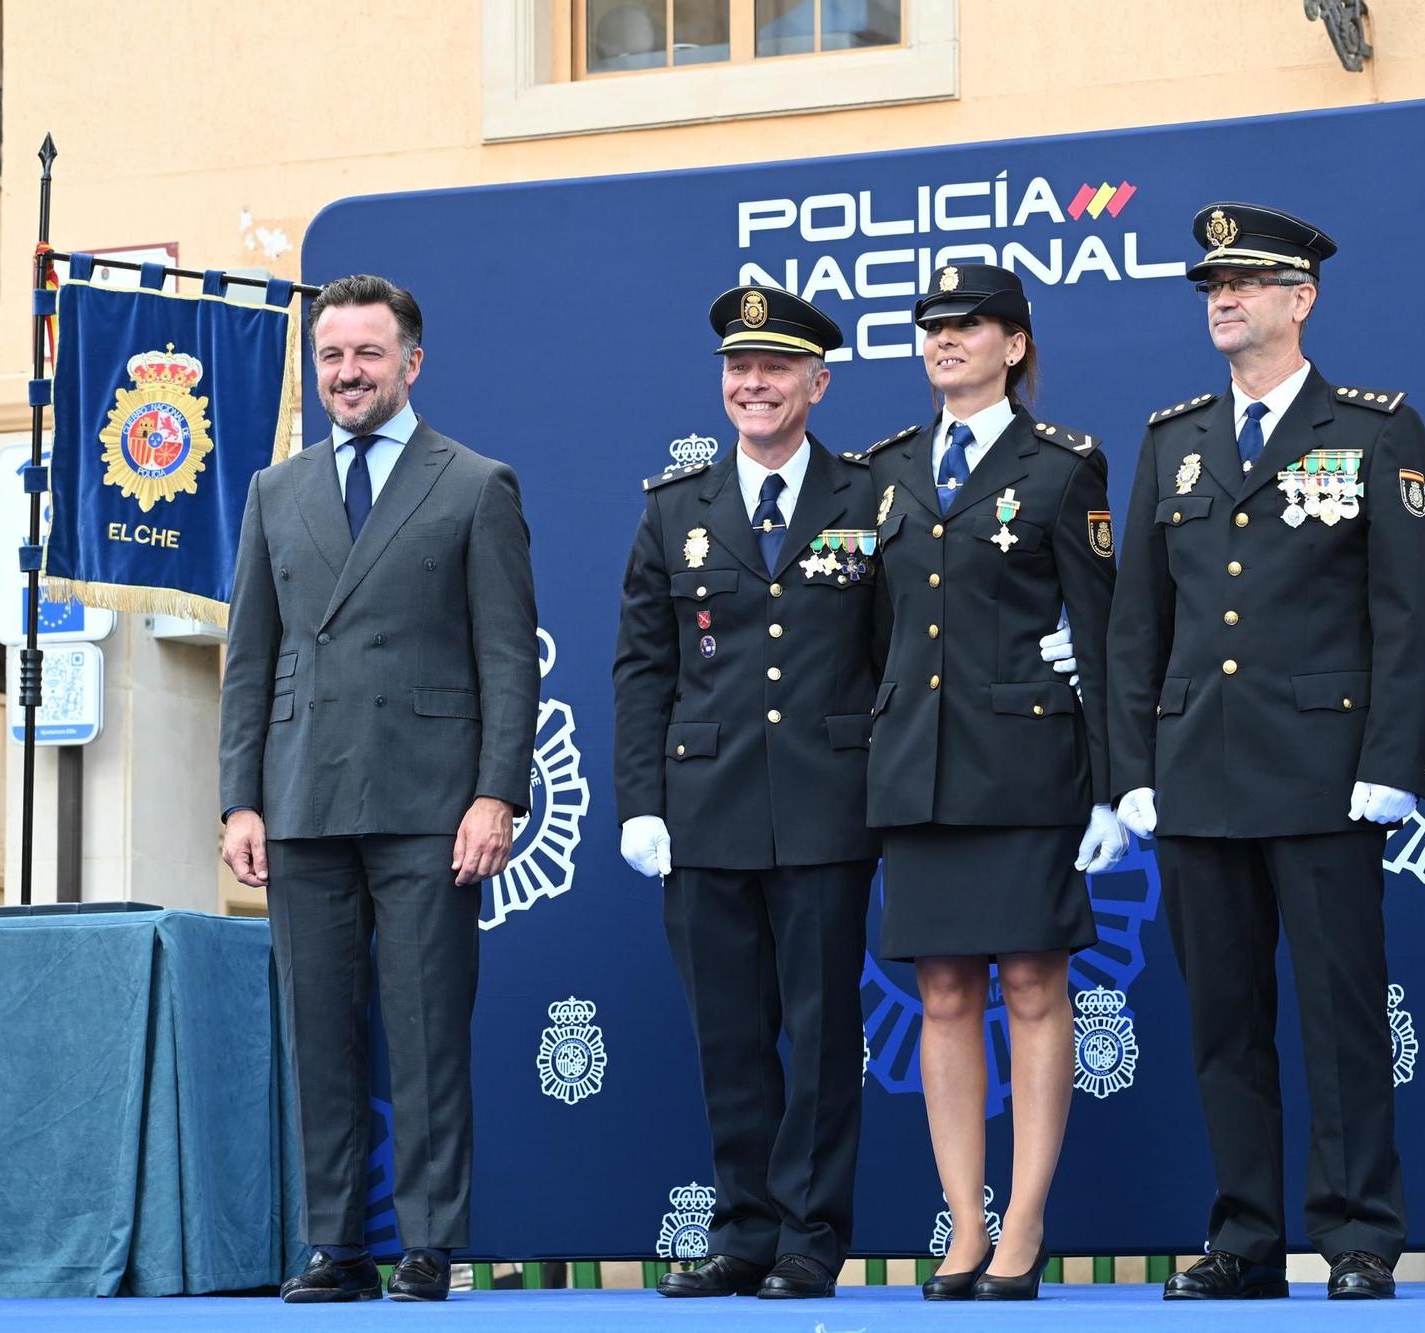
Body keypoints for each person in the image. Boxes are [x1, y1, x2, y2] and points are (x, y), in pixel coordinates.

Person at [612, 285, 1084, 1299]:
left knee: (826, 1038)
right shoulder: (671, 506)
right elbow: (641, 667)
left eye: (775, 370)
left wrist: (1055, 652)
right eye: (739, 370)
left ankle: (806, 1239)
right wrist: (640, 801)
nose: (753, 385)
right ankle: (740, 1229)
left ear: (815, 384)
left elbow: (912, 635)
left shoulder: (869, 492)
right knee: (728, 1036)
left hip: (834, 800)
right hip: (702, 807)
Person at [1107, 203, 1425, 1302]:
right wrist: (1131, 773)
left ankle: (1355, 1236)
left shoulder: (1373, 429)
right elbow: (1134, 628)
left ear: (1300, 299)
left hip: (1322, 774)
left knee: (1341, 1019)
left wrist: (1389, 762)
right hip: (1196, 777)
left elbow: (1405, 615)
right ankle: (1246, 1237)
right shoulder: (1172, 441)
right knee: (1221, 1026)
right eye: (1211, 283)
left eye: (1245, 281)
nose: (1222, 296)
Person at [219, 274, 541, 1304]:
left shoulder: (473, 484)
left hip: (429, 806)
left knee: (426, 1031)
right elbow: (249, 659)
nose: (346, 373)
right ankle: (333, 1245)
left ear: (411, 361)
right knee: (318, 1036)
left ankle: (428, 1241)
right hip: (302, 798)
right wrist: (240, 798)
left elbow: (507, 660)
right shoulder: (277, 491)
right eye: (330, 356)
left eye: (366, 353)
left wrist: (496, 793)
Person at [865, 263, 1127, 1302]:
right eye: (930, 326)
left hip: (1024, 765)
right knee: (938, 991)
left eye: (966, 326)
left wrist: (1112, 786)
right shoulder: (880, 471)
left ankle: (1022, 1223)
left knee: (1028, 982)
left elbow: (1098, 635)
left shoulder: (1064, 465)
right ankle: (962, 1225)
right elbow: (870, 636)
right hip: (917, 770)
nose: (943, 341)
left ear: (1012, 345)